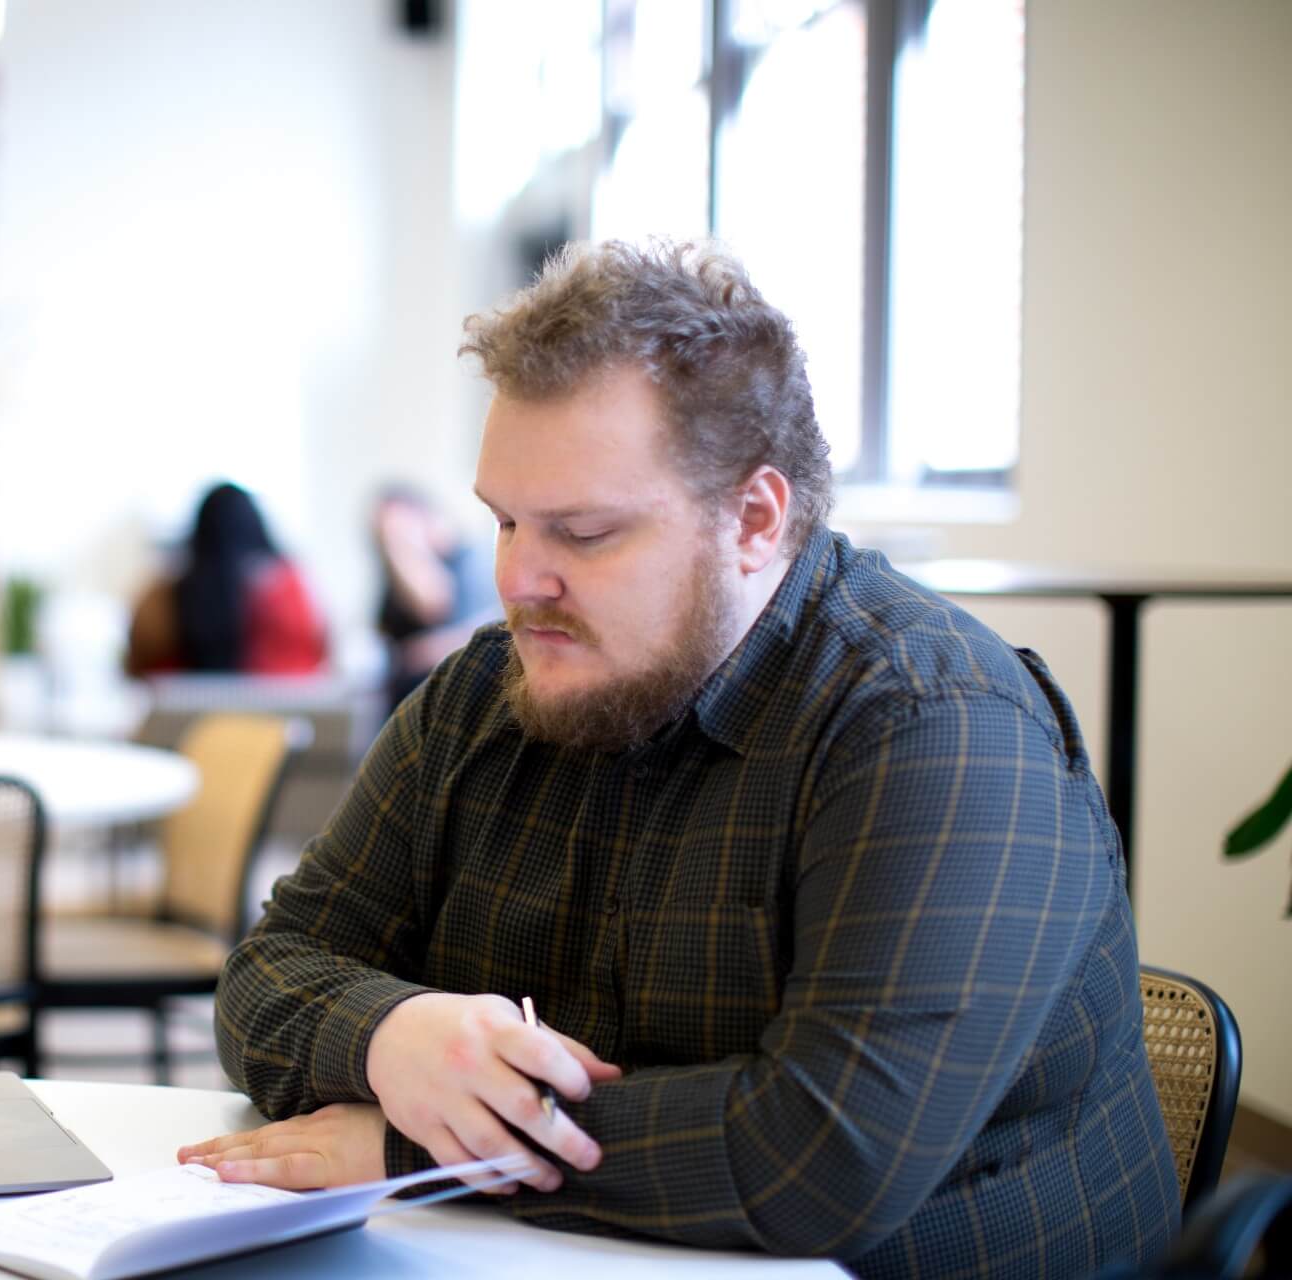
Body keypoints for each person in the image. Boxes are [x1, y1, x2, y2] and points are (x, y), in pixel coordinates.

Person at [178, 240, 1177, 1278]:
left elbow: (822, 1157)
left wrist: (420, 1142)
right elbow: (269, 970)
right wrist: (392, 1034)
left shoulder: (937, 727)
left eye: (585, 531)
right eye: (505, 521)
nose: (519, 578)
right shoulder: (485, 695)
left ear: (753, 519)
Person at [124, 482, 328, 676]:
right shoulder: (290, 591)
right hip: (270, 709)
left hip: (184, 710)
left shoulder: (161, 597)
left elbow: (136, 666)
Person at [373, 485, 501, 708]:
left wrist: (401, 547)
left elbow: (433, 605)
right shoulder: (395, 571)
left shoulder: (465, 560)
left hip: (443, 691)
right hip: (401, 692)